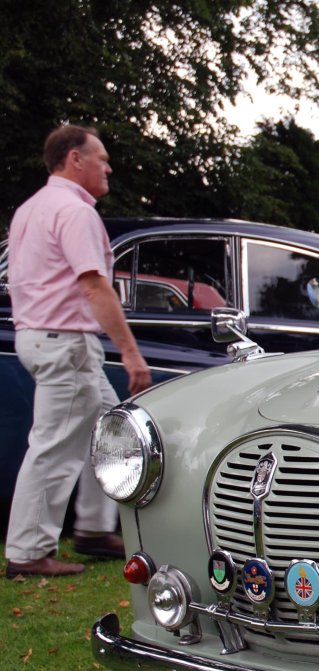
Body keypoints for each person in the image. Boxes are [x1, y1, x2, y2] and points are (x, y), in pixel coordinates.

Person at [5, 124, 152, 579]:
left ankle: (93, 527)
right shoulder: (74, 213)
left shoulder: (31, 209)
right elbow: (93, 285)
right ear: (75, 159)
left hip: (40, 337)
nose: (109, 167)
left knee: (109, 433)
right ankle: (27, 552)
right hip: (65, 343)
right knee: (53, 448)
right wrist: (130, 353)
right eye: (102, 158)